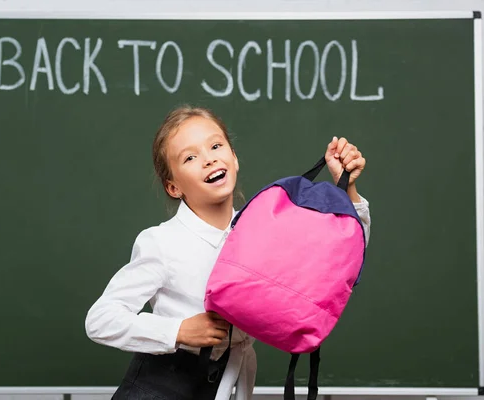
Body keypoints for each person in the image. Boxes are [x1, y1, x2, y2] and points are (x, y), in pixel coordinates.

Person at [85, 105, 371, 400]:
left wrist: (346, 189)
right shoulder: (162, 242)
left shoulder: (260, 226)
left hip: (227, 384)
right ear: (173, 186)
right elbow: (101, 319)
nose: (208, 159)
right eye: (190, 157)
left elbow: (338, 259)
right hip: (162, 386)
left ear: (233, 159)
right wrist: (178, 331)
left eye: (216, 145)